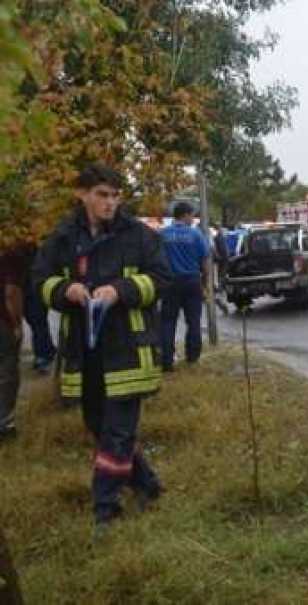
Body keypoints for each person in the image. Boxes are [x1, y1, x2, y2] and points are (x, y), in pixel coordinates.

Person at [32, 163, 170, 529]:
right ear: (82, 194)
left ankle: (105, 510)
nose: (110, 203)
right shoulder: (62, 238)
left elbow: (161, 279)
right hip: (85, 352)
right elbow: (40, 281)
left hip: (128, 350)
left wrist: (121, 290)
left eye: (115, 195)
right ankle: (147, 485)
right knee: (99, 425)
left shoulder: (139, 236)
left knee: (118, 431)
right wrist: (66, 290)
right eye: (102, 195)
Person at [159, 202, 210, 371]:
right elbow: (204, 261)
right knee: (194, 321)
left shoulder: (162, 234)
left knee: (167, 322)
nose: (193, 219)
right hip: (191, 282)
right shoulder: (195, 235)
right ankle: (192, 356)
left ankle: (166, 360)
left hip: (169, 283)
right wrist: (205, 284)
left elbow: (156, 260)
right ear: (186, 215)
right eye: (192, 215)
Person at [0, 248, 26, 442]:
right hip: (3, 323)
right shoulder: (11, 256)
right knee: (7, 373)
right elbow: (11, 293)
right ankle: (4, 423)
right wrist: (16, 323)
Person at [22, 245, 57, 372]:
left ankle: (44, 353)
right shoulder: (35, 252)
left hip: (31, 290)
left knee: (37, 321)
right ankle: (45, 352)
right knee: (38, 321)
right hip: (32, 290)